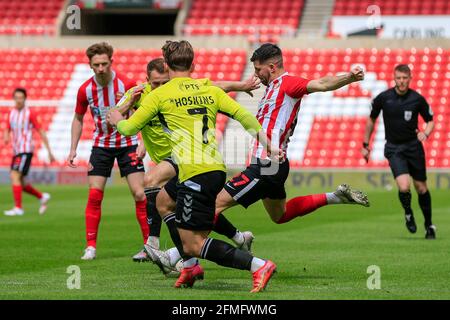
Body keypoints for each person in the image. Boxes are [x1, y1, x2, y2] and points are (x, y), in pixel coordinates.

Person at [108, 40, 279, 293]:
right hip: (213, 168)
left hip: (194, 172)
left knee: (194, 244)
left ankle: (258, 265)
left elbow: (129, 128)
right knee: (163, 201)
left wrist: (116, 119)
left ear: (166, 66)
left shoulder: (158, 95)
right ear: (193, 64)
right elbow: (243, 115)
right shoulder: (207, 88)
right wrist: (269, 145)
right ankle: (189, 268)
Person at [117, 58, 259, 263]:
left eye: (164, 82)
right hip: (174, 159)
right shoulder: (138, 94)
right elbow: (112, 115)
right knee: (191, 207)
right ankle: (237, 238)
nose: (160, 87)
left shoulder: (177, 91)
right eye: (155, 83)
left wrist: (241, 86)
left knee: (151, 183)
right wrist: (129, 106)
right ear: (147, 80)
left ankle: (154, 243)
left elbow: (215, 86)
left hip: (181, 156)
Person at [67, 42, 149, 260]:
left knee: (140, 193)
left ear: (111, 62)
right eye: (96, 65)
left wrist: (144, 141)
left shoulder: (127, 84)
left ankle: (150, 246)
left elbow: (145, 113)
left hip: (128, 144)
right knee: (95, 194)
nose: (101, 68)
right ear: (90, 65)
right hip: (101, 146)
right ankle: (91, 247)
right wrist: (73, 149)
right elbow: (78, 118)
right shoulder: (85, 90)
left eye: (104, 63)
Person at [362, 64, 436, 239]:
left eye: (405, 78)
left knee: (421, 188)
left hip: (413, 147)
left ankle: (429, 225)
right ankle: (408, 213)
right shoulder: (384, 98)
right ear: (394, 78)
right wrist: (365, 144)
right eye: (398, 78)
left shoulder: (417, 99)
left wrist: (425, 132)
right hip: (394, 148)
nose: (401, 82)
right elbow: (371, 120)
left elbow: (430, 120)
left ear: (410, 78)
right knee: (404, 186)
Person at [3, 88, 54, 216]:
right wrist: (6, 136)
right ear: (14, 99)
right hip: (16, 150)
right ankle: (41, 197)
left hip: (25, 150)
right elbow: (7, 128)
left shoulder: (30, 113)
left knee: (14, 175)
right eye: (17, 98)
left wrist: (49, 151)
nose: (19, 100)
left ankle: (18, 208)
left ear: (25, 99)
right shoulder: (11, 114)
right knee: (22, 182)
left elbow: (41, 131)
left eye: (21, 98)